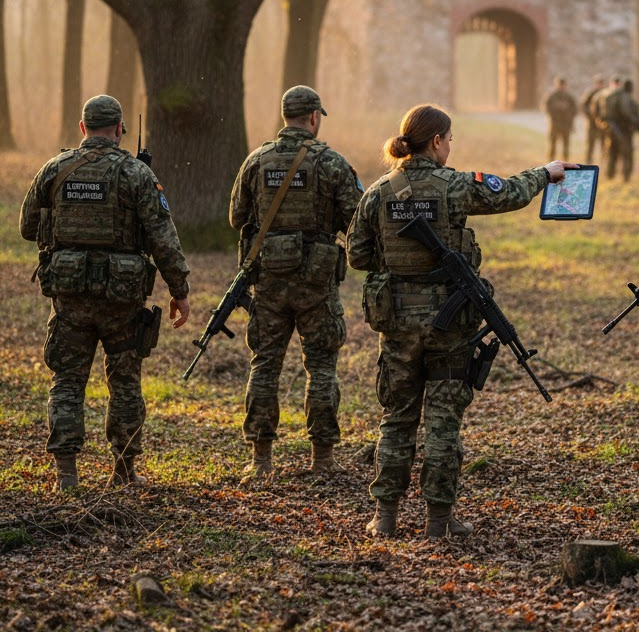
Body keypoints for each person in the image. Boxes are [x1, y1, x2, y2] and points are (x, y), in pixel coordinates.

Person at [347, 103, 572, 540]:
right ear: (437, 141)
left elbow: (358, 255)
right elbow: (507, 193)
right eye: (449, 140)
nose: (450, 147)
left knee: (397, 417)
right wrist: (546, 172)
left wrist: (399, 269)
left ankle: (385, 517)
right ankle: (438, 520)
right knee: (444, 420)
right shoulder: (453, 186)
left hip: (397, 321)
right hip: (449, 325)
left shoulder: (378, 191)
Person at [19, 95, 191, 490]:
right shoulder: (136, 174)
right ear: (119, 130)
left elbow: (28, 227)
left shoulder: (54, 169)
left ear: (82, 128)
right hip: (121, 298)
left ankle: (66, 474)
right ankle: (124, 470)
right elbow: (163, 237)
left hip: (70, 297)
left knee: (67, 381)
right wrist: (179, 289)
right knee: (125, 382)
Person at [229, 85, 363, 479]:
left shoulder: (256, 161)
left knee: (265, 365)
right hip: (317, 282)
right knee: (321, 367)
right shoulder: (333, 163)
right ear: (314, 118)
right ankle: (322, 459)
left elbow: (237, 217)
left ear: (284, 115)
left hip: (268, 281)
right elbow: (355, 217)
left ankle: (260, 460)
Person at [603, 78, 639, 181]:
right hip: (624, 130)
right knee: (627, 153)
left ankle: (610, 175)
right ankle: (626, 177)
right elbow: (626, 112)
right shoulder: (625, 97)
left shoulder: (613, 95)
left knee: (613, 152)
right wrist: (635, 121)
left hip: (612, 129)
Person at [543, 77, 577, 160]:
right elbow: (546, 107)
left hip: (566, 123)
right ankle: (550, 160)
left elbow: (575, 109)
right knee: (553, 143)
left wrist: (568, 114)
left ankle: (566, 160)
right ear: (556, 85)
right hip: (555, 123)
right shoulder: (551, 95)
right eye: (560, 84)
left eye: (563, 84)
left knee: (566, 143)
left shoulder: (569, 96)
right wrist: (555, 111)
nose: (561, 86)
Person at [580, 74, 607, 164]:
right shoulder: (590, 93)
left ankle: (604, 161)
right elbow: (583, 106)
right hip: (592, 123)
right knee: (590, 144)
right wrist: (591, 115)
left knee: (604, 143)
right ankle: (588, 161)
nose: (600, 85)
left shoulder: (606, 93)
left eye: (601, 83)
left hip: (603, 123)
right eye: (598, 83)